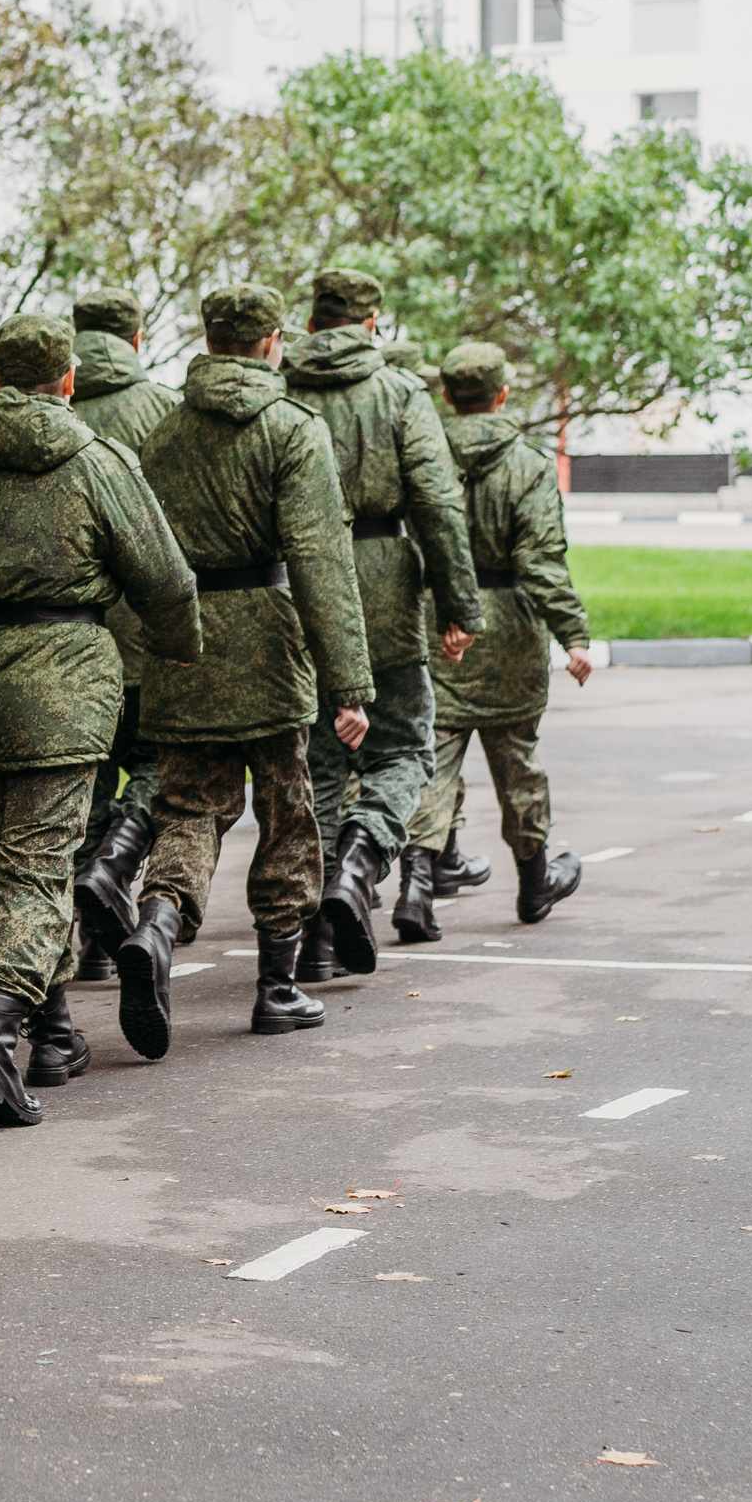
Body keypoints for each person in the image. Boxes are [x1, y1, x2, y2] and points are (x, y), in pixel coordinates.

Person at [0, 315, 198, 1124]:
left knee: (11, 866)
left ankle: (54, 1034)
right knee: (37, 873)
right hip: (65, 688)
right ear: (68, 381)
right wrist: (179, 651)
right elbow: (164, 581)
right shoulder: (100, 463)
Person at [119, 286, 374, 1052]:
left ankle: (158, 926)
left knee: (190, 807)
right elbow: (321, 561)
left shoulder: (161, 434)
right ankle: (278, 985)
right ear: (272, 343)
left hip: (183, 646)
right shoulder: (293, 430)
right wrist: (349, 682)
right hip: (267, 645)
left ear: (209, 337)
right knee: (288, 811)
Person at [281, 270, 483, 982]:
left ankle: (314, 939)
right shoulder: (399, 393)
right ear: (373, 324)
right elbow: (437, 503)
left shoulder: (280, 387)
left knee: (319, 764)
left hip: (295, 586)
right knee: (404, 748)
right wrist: (460, 602)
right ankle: (362, 864)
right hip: (386, 586)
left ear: (311, 322)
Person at [393, 343, 590, 938]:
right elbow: (541, 562)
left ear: (447, 397)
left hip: (434, 621)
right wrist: (573, 634)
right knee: (518, 764)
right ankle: (534, 886)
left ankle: (416, 891)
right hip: (509, 633)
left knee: (431, 761)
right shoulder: (529, 466)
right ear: (502, 395)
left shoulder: (417, 456)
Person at [67, 291, 185, 979]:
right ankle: (117, 862)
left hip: (73, 638)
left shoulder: (54, 407)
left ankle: (91, 941)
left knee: (88, 780)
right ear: (137, 339)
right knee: (157, 763)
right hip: (145, 633)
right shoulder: (162, 410)